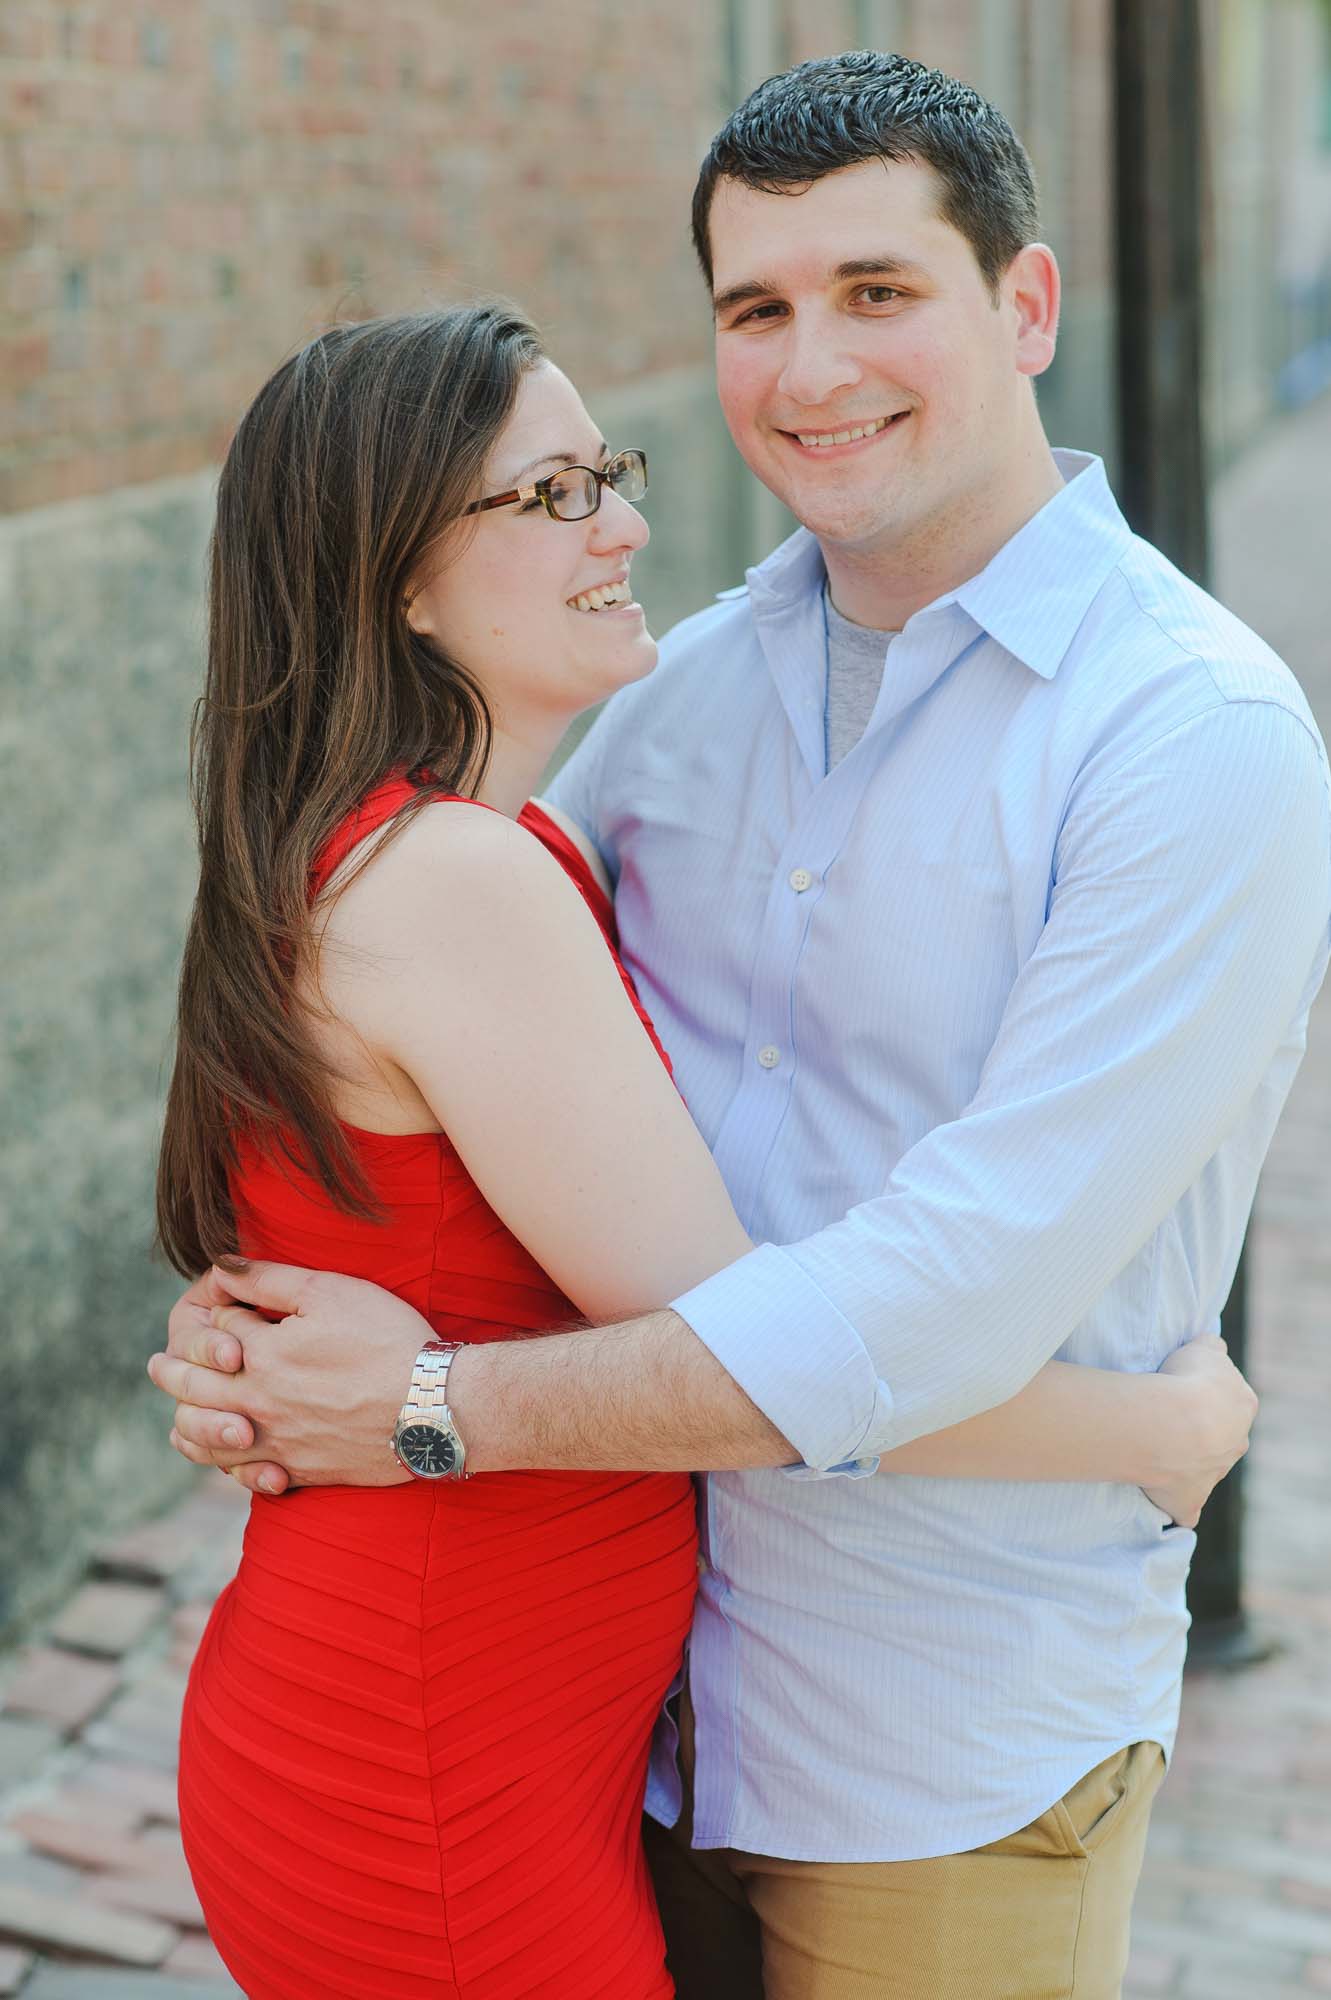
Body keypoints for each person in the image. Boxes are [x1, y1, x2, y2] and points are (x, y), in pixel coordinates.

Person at [150, 51, 1330, 2000]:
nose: (810, 368)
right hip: (632, 1723)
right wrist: (282, 1323)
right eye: (756, 309)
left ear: (1026, 308)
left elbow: (944, 1293)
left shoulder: (1184, 741)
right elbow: (424, 1091)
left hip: (930, 1743)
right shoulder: (672, 703)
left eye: (879, 294)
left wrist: (422, 1396)